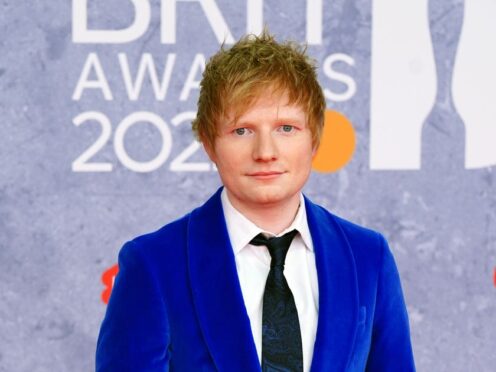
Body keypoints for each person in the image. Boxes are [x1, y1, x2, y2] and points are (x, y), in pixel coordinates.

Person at [96, 31, 416, 372]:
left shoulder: (368, 255)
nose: (266, 153)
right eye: (242, 130)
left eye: (287, 128)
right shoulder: (154, 264)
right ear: (208, 143)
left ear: (316, 138)